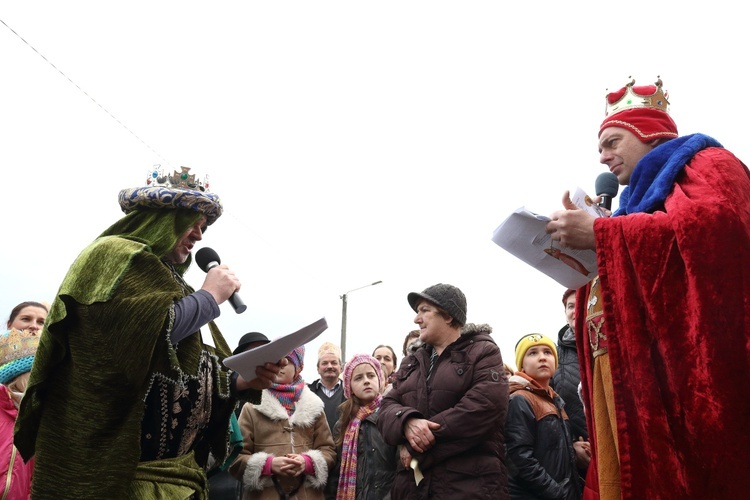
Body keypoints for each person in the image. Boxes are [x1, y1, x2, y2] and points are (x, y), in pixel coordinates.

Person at [14, 168, 285, 499]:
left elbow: (175, 371)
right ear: (161, 218)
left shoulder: (172, 282)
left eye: (203, 227)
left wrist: (242, 381)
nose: (199, 236)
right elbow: (142, 337)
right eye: (193, 222)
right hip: (117, 479)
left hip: (174, 478)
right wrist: (209, 297)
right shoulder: (111, 256)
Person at [545, 77, 750, 498]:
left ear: (650, 132)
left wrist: (605, 235)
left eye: (612, 142)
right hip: (630, 381)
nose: (603, 157)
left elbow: (718, 231)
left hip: (687, 385)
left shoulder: (707, 163)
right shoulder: (628, 205)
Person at [378, 283, 509, 499]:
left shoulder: (484, 351)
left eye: (424, 311)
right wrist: (407, 422)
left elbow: (483, 408)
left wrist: (415, 447)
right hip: (412, 489)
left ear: (448, 316)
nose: (416, 319)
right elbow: (386, 408)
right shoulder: (410, 362)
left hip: (468, 488)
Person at [229, 346, 336, 499]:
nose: (279, 366)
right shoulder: (252, 406)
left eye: (286, 361)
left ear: (298, 367)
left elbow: (329, 451)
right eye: (274, 361)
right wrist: (268, 465)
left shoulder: (314, 406)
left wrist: (307, 462)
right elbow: (234, 457)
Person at [506, 334, 586, 499]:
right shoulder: (519, 399)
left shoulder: (555, 400)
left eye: (548, 352)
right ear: (521, 366)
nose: (542, 357)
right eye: (533, 353)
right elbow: (519, 459)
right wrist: (556, 493)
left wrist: (575, 448)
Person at [209, 332, 272, 500]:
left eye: (264, 352)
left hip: (253, 483)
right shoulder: (221, 389)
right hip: (217, 479)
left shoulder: (271, 398)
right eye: (253, 353)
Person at [328, 354, 396, 500]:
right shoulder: (343, 424)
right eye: (358, 378)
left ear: (380, 380)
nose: (366, 381)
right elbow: (335, 472)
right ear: (349, 387)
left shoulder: (391, 416)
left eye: (371, 376)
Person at [1, 301, 48, 498]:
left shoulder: (48, 412)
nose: (33, 326)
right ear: (9, 324)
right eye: (26, 318)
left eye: (41, 322)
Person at [550, 289, 588, 445]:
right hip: (581, 450)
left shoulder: (614, 344)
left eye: (582, 304)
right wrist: (572, 446)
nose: (576, 310)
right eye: (571, 306)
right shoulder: (554, 356)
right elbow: (550, 409)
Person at [308, 342, 346, 434]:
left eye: (334, 363)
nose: (329, 366)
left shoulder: (350, 392)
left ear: (341, 368)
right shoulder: (307, 392)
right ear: (318, 369)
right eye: (324, 363)